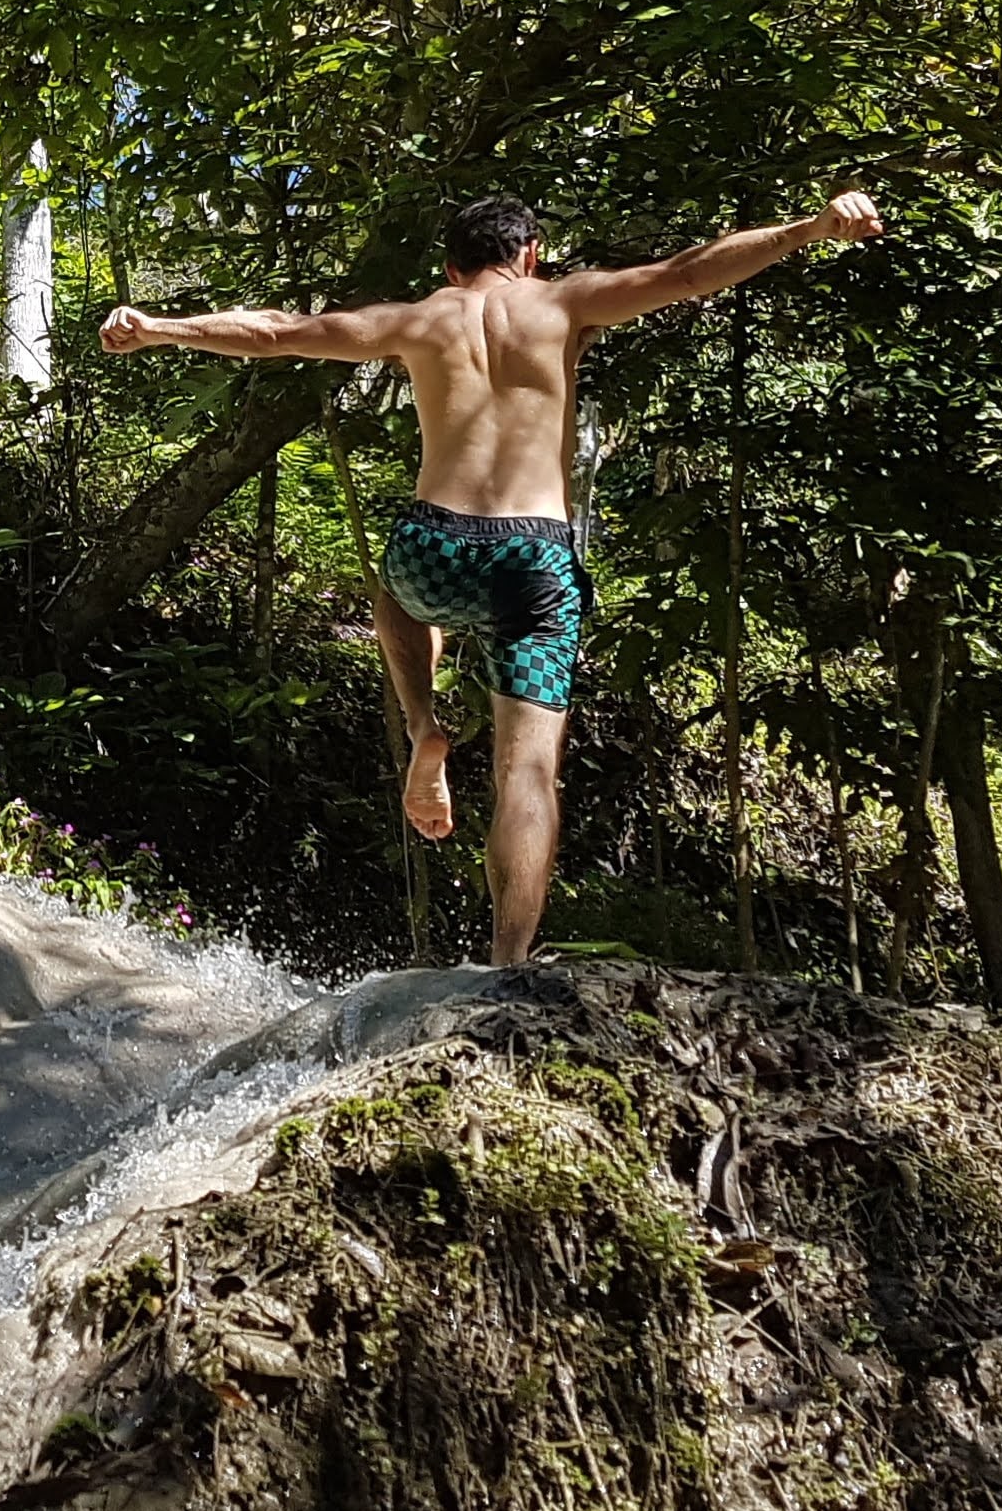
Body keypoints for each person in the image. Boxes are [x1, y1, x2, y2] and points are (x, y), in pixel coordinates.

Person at [98, 189, 887, 966]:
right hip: (535, 560)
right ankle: (508, 964)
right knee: (530, 773)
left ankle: (422, 725)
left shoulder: (420, 317)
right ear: (531, 254)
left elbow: (278, 333)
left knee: (395, 594)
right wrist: (810, 227)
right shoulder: (564, 302)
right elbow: (687, 272)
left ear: (451, 266)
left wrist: (159, 327)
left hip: (435, 543)